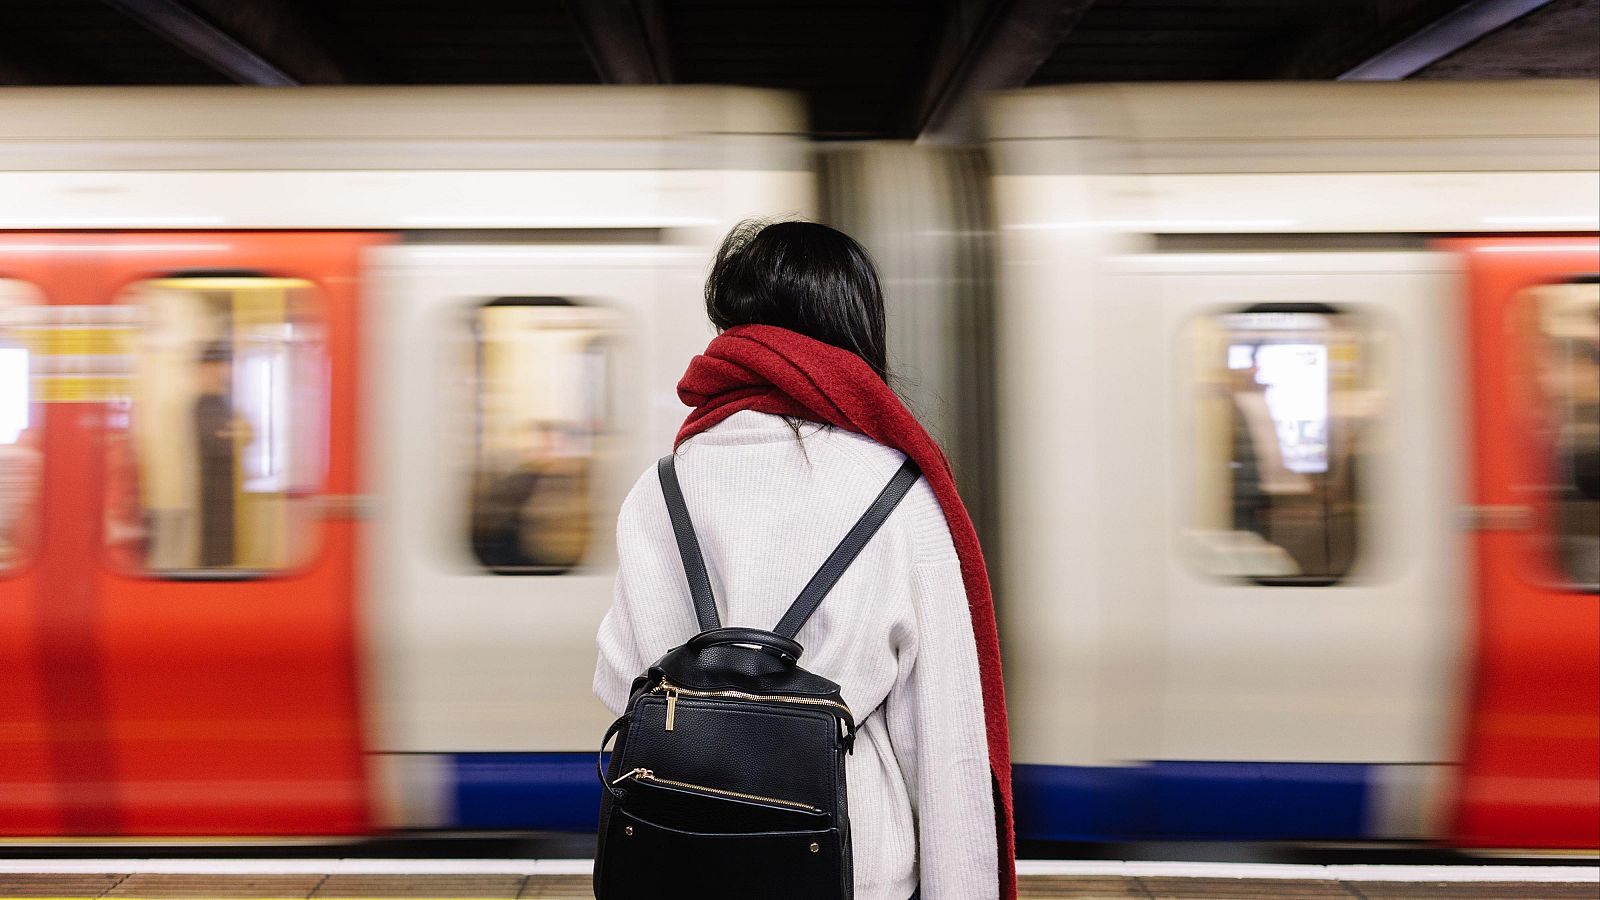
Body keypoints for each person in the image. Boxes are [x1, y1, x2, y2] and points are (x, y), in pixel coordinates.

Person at [593, 220, 1014, 900]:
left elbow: (621, 686)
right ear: (856, 329)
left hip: (680, 864)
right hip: (853, 875)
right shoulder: (900, 495)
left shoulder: (661, 487)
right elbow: (947, 750)